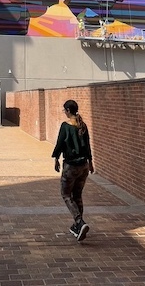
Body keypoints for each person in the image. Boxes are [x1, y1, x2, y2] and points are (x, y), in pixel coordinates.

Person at [51, 99, 94, 242]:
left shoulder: (66, 126)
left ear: (68, 110)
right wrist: (91, 162)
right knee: (78, 195)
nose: (64, 112)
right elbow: (87, 145)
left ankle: (79, 222)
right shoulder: (83, 125)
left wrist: (56, 158)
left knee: (66, 194)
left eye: (65, 110)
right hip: (84, 166)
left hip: (71, 166)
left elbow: (60, 143)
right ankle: (78, 227)